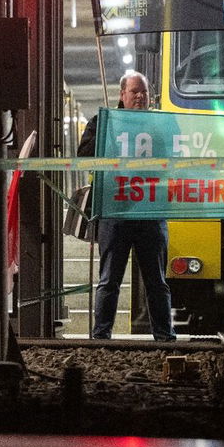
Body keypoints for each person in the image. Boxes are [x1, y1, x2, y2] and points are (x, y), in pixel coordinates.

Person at [77, 71, 176, 341]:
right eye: (134, 91)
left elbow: (175, 158)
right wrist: (107, 142)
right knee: (110, 280)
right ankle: (101, 336)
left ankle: (164, 336)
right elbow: (83, 155)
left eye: (144, 91)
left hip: (150, 213)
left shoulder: (158, 124)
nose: (140, 96)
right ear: (122, 94)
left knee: (156, 282)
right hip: (115, 212)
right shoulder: (103, 123)